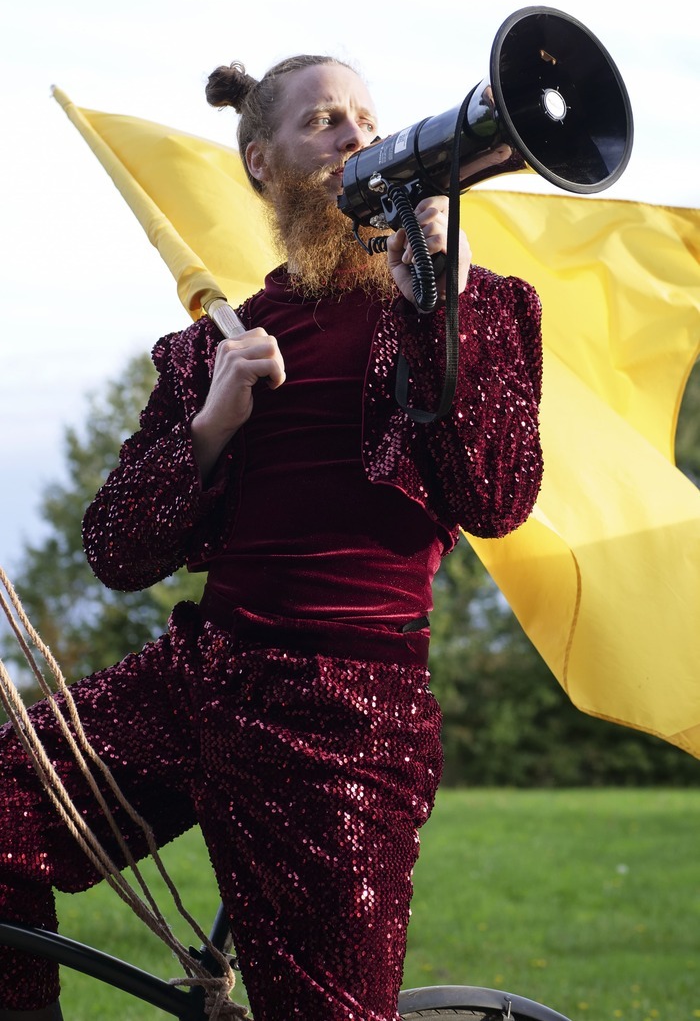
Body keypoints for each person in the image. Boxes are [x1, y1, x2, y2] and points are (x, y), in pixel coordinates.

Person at [0, 53, 543, 1021]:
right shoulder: (213, 342)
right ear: (263, 160)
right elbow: (118, 551)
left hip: (343, 712)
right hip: (196, 679)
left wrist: (441, 306)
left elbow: (493, 495)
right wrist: (211, 422)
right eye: (324, 119)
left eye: (366, 117)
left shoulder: (482, 306)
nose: (354, 134)